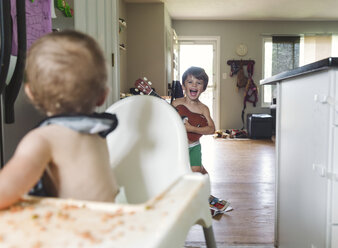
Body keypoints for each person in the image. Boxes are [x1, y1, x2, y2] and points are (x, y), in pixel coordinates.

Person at [0, 30, 120, 209]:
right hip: (113, 224)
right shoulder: (96, 131)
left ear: (30, 94)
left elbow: (6, 190)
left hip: (76, 230)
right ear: (103, 96)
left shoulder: (42, 138)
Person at [172, 66, 215, 174]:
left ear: (204, 88)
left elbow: (212, 129)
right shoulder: (176, 103)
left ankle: (202, 174)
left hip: (194, 146)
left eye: (199, 83)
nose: (194, 85)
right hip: (177, 146)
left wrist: (192, 129)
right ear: (183, 86)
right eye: (190, 82)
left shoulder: (203, 109)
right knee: (176, 172)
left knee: (195, 172)